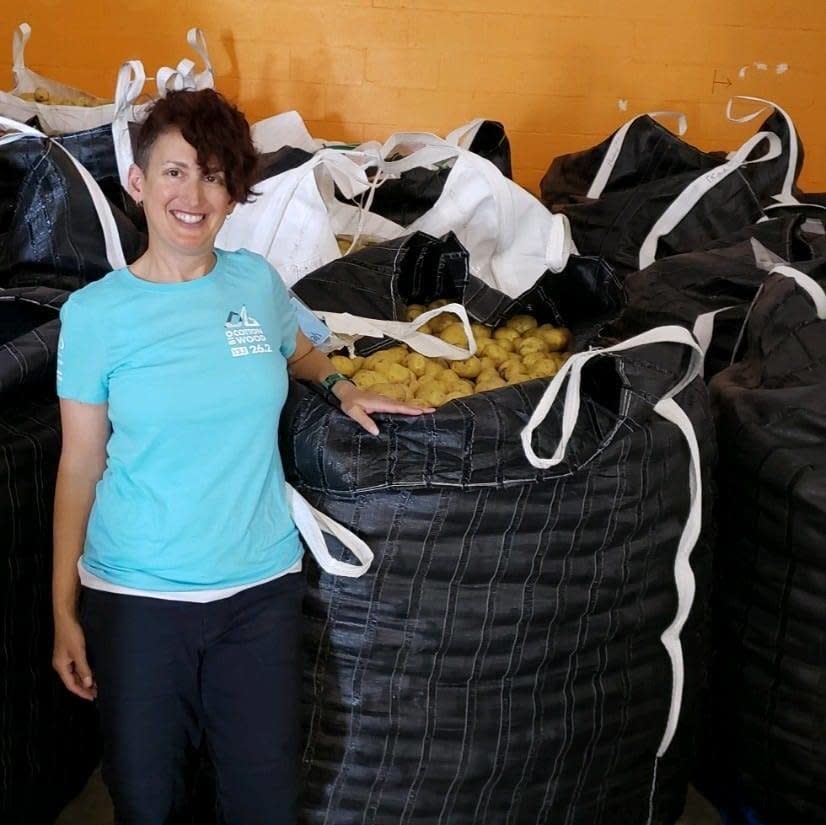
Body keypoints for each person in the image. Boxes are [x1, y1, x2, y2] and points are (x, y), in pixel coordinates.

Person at [51, 88, 431, 824]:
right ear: (138, 182)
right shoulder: (95, 315)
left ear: (235, 193)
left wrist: (344, 385)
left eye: (216, 175)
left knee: (265, 802)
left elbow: (298, 351)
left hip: (258, 592)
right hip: (136, 600)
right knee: (149, 802)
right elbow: (78, 466)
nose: (194, 194)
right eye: (175, 171)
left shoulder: (254, 283)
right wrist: (63, 607)